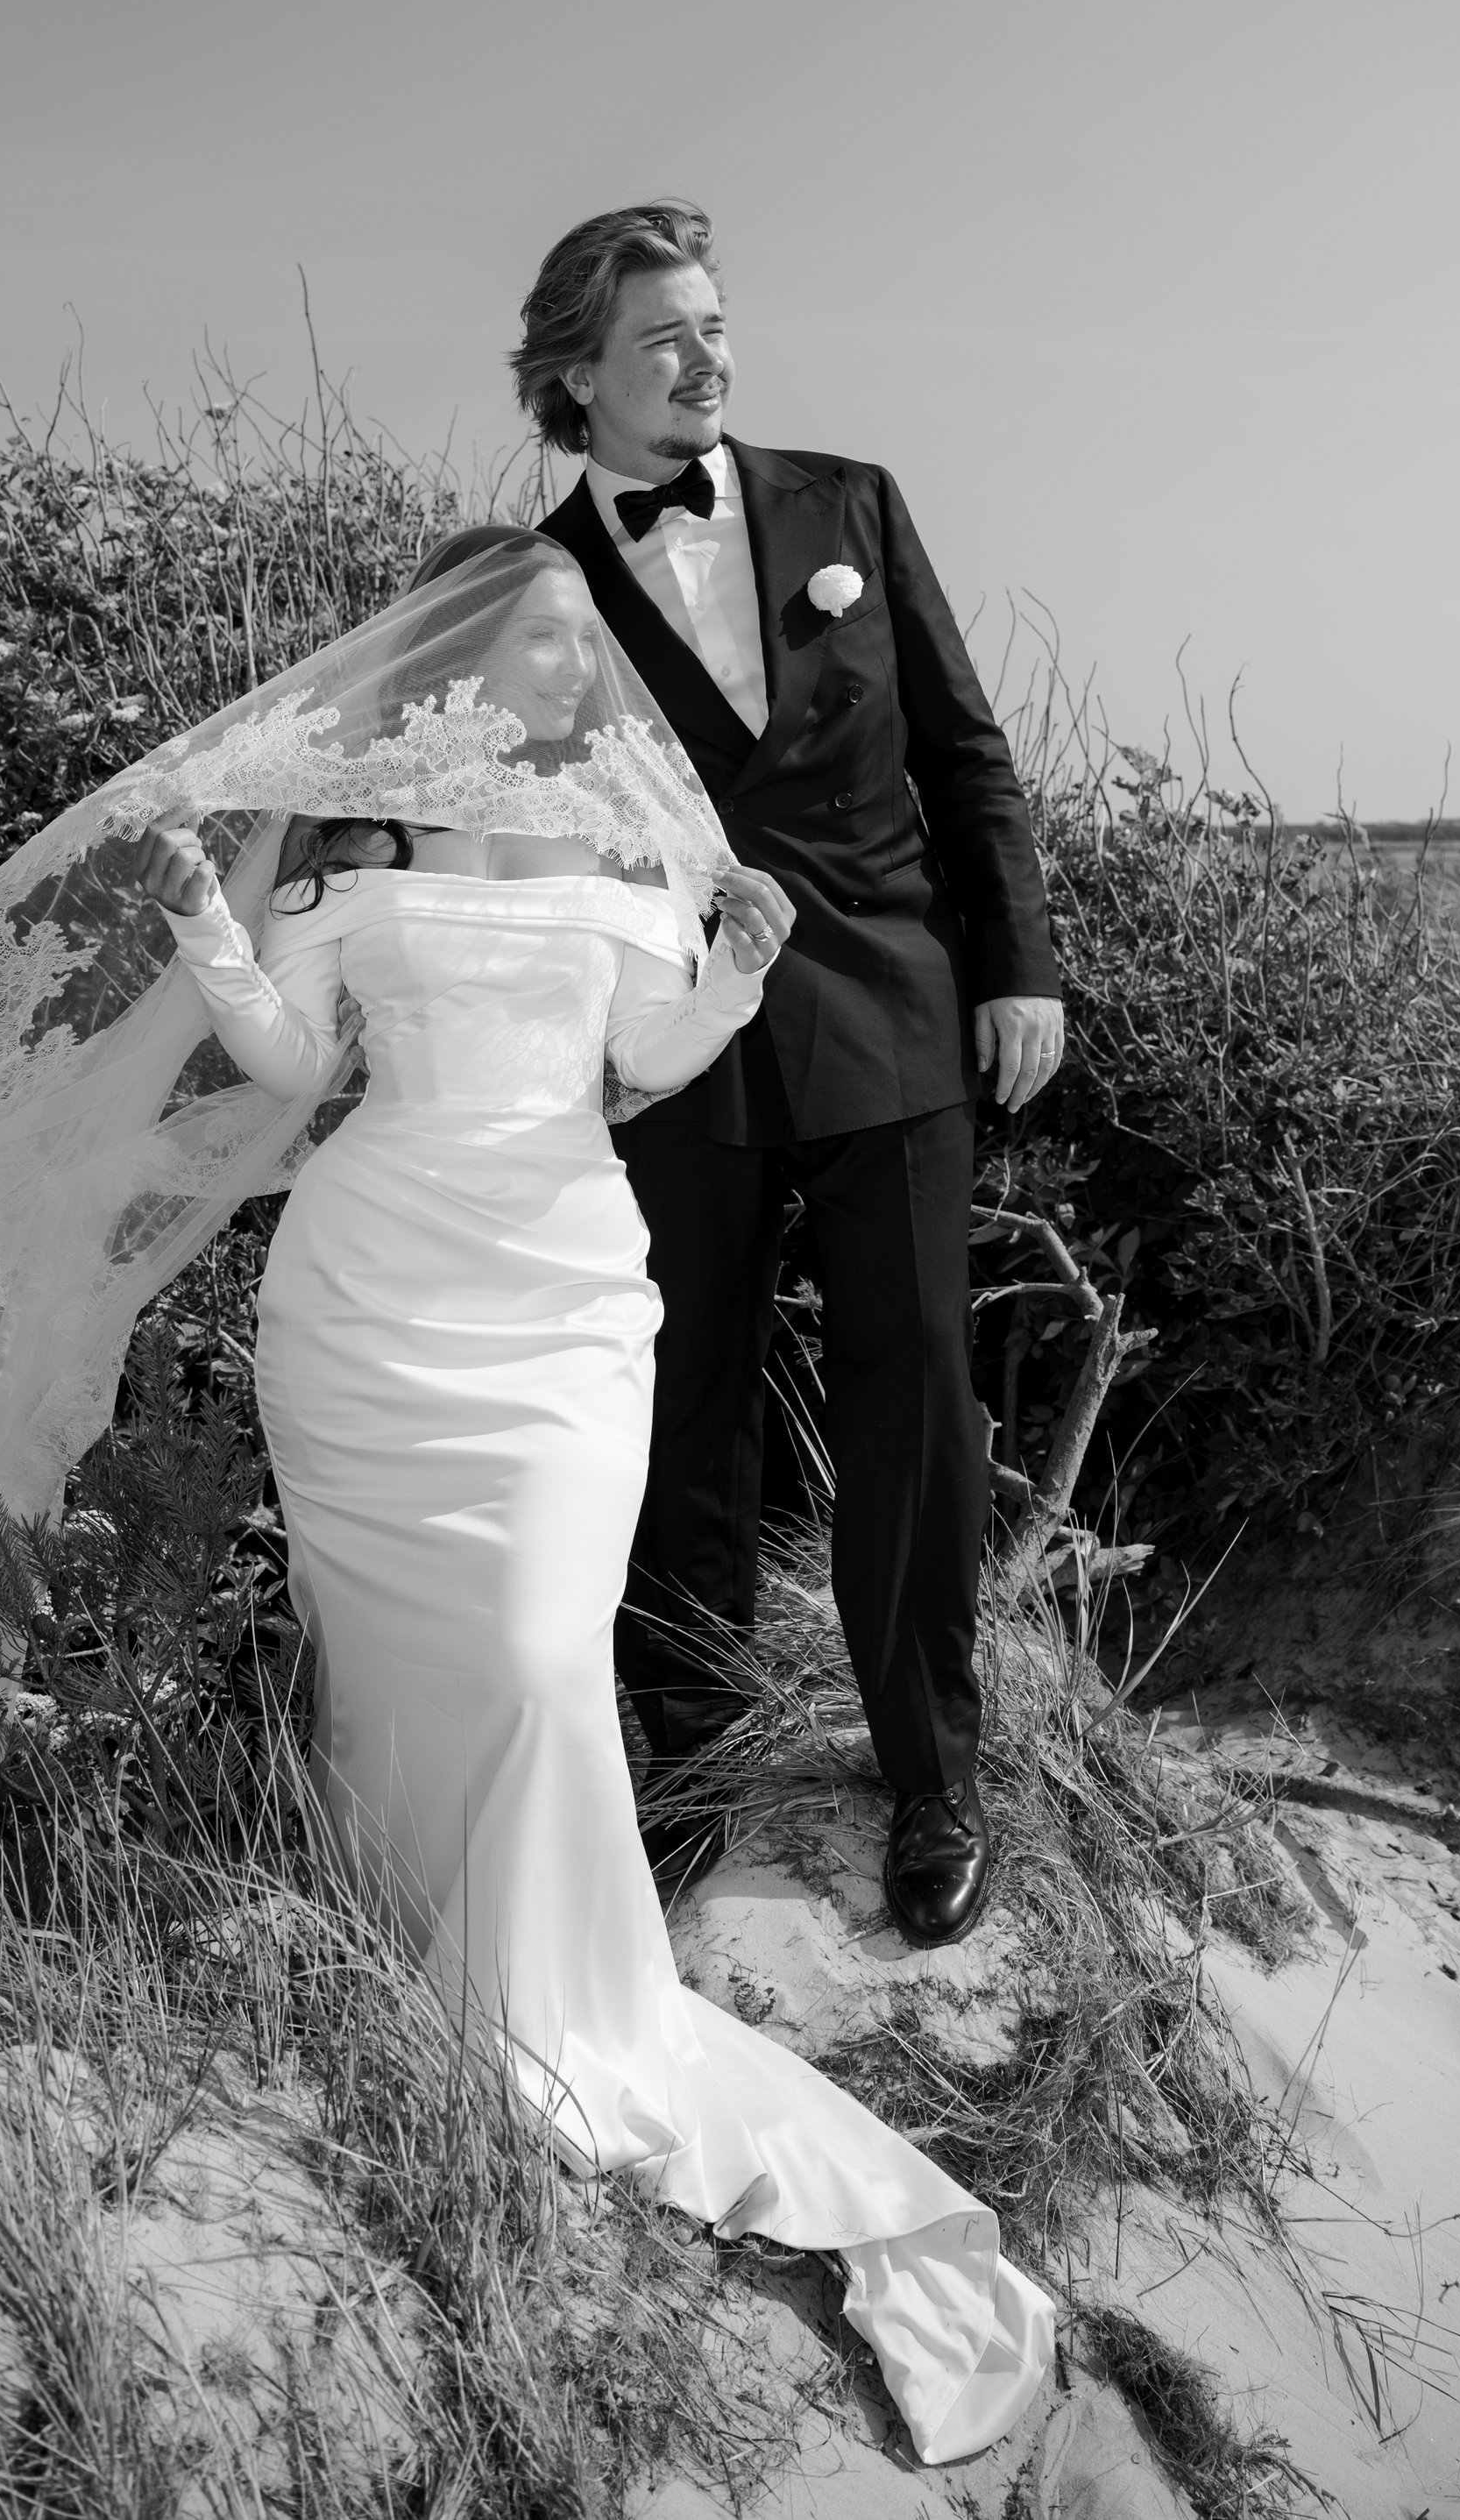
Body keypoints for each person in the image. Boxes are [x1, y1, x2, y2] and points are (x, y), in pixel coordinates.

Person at [0, 525, 1052, 2466]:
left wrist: (733, 967)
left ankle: (553, 2018)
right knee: (395, 1669)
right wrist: (209, 920)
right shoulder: (355, 859)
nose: (562, 664)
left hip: (552, 1298)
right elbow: (284, 1063)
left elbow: (643, 1063)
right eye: (531, 638)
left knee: (536, 1652)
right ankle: (410, 1960)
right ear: (453, 661)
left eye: (572, 641)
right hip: (364, 1295)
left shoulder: (634, 846)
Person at [524, 202, 1064, 1947]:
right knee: (680, 1407)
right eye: (664, 338)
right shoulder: (530, 583)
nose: (709, 360)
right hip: (672, 1045)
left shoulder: (850, 503)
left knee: (913, 1394)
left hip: (896, 1013)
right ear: (576, 375)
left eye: (715, 323)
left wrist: (1017, 966)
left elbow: (961, 749)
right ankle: (686, 1762)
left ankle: (930, 1775)